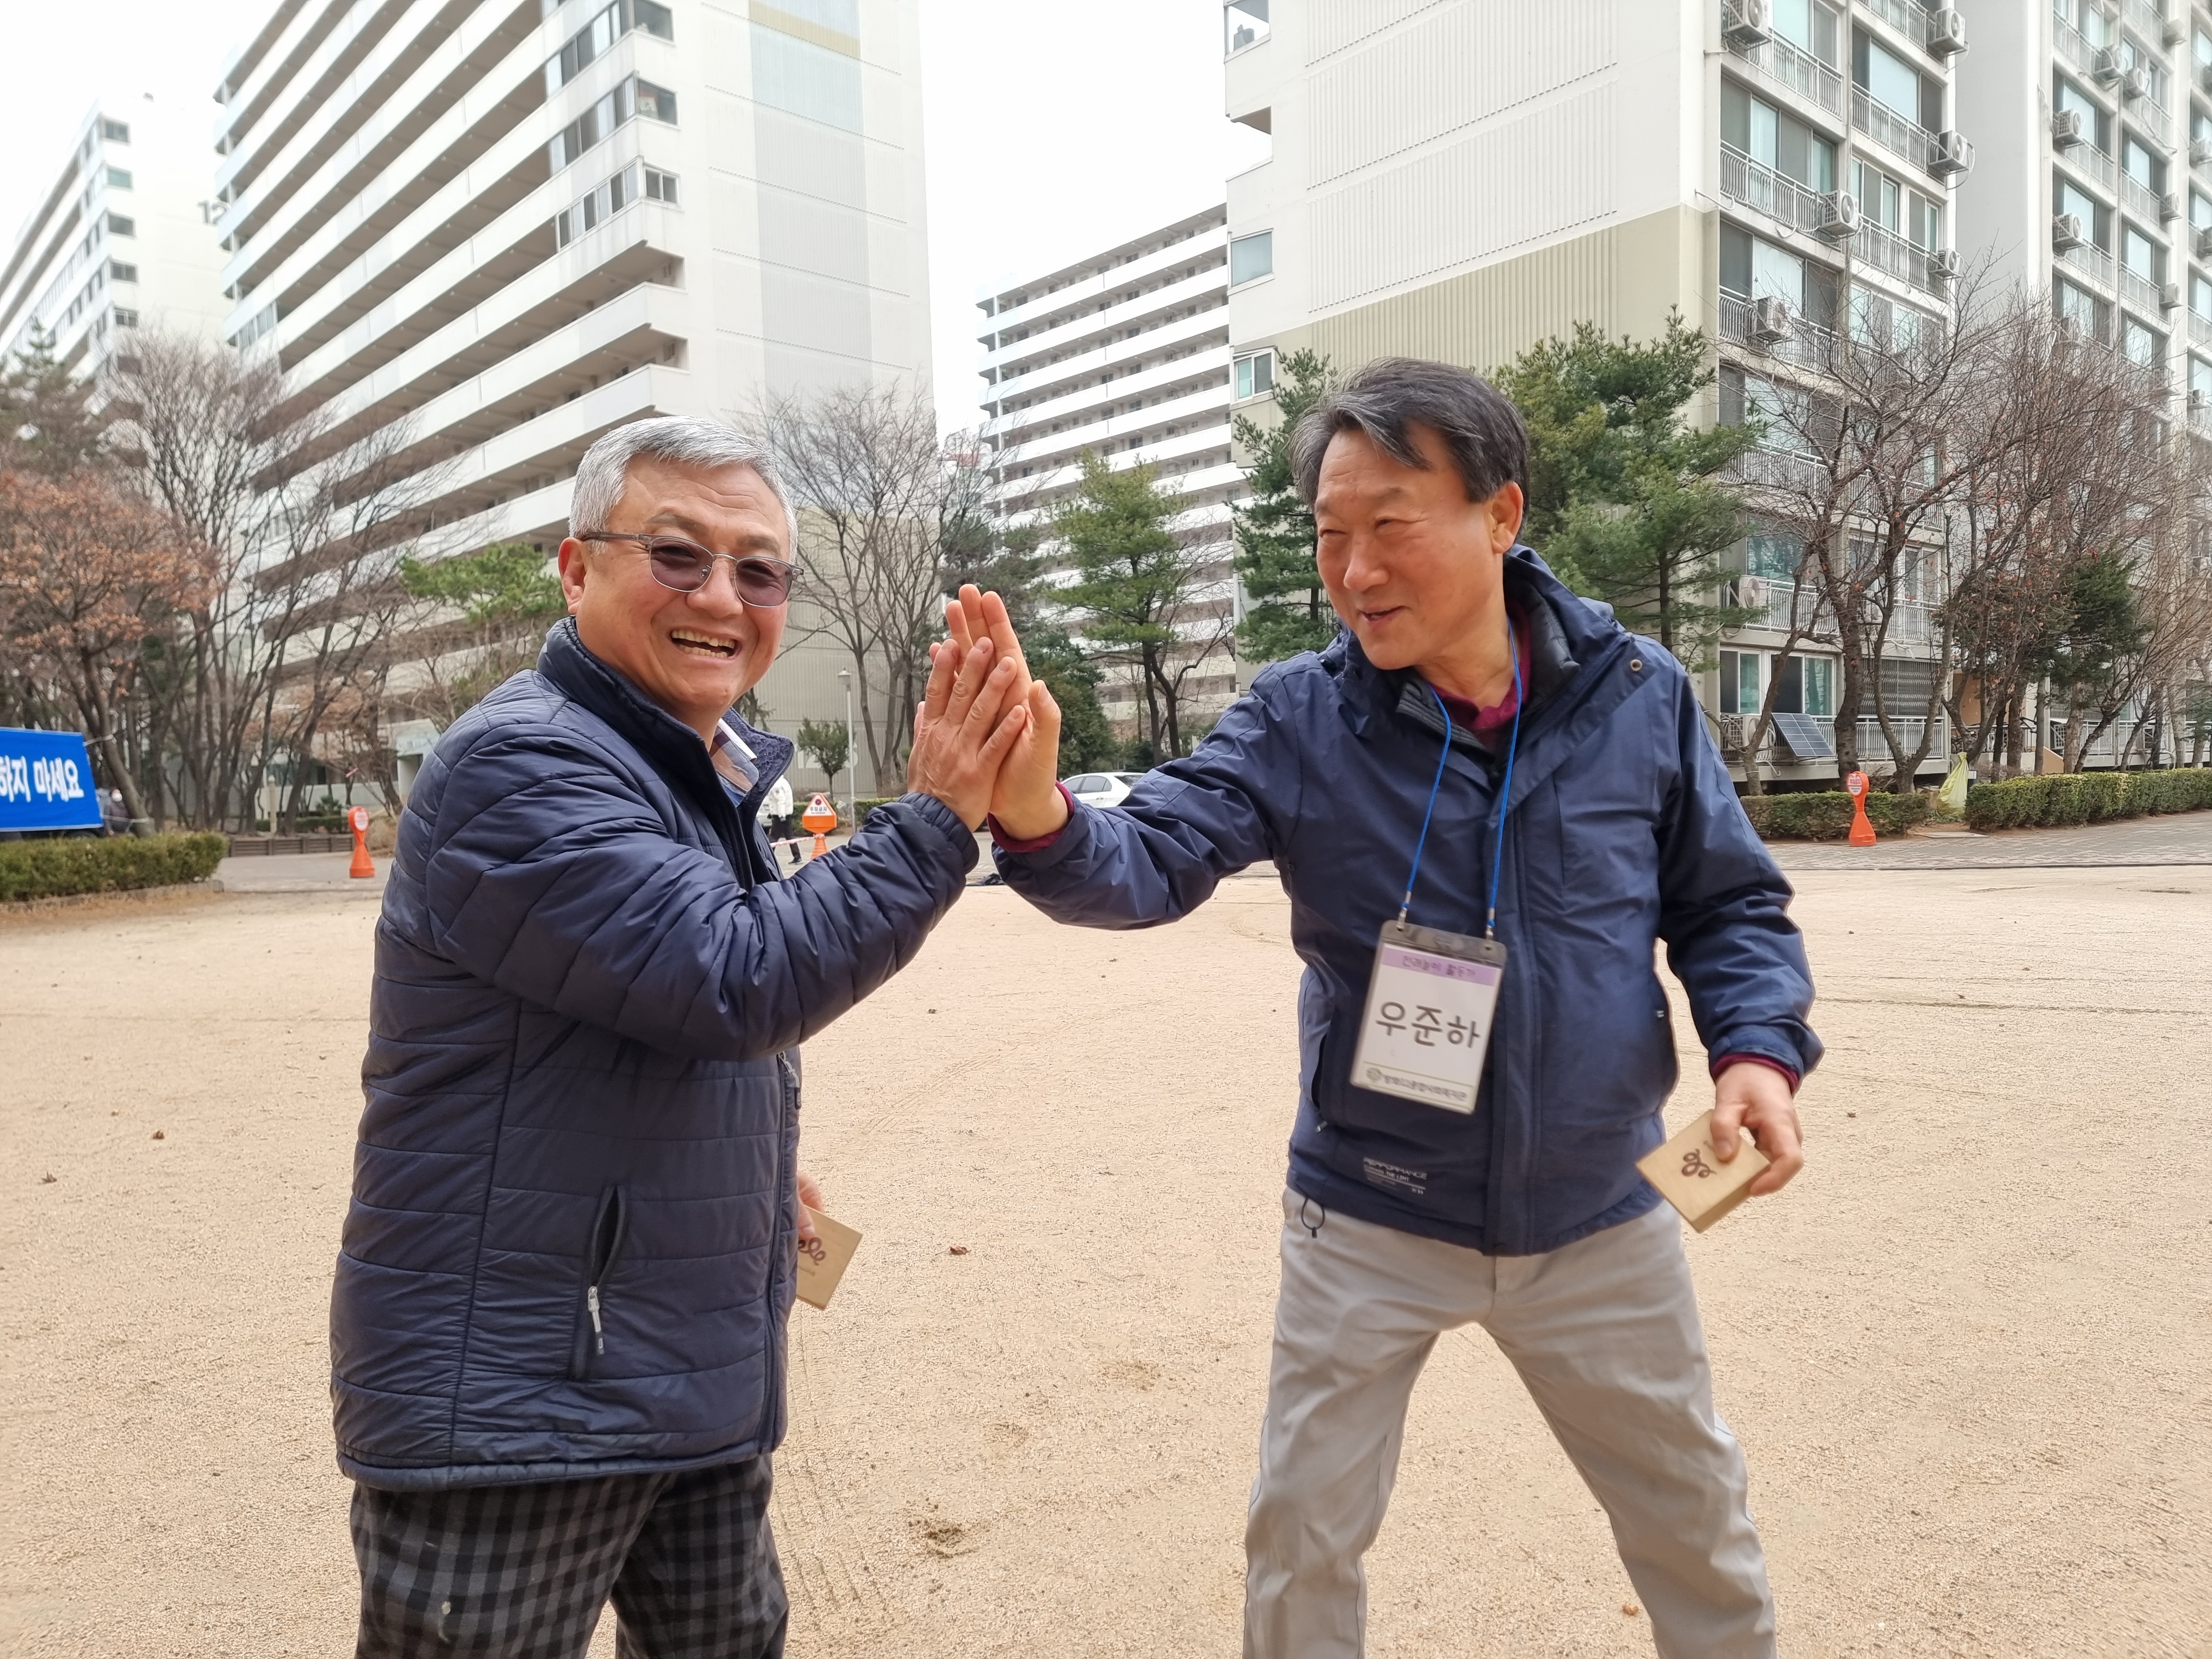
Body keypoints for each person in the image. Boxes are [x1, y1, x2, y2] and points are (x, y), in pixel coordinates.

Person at [952, 359, 1819, 1659]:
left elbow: (1726, 902)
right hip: (1365, 1210)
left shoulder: (1634, 694)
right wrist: (1037, 808)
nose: (1353, 570)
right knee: (1300, 1533)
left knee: (1692, 1516)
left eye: (1389, 525)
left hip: (1597, 1211)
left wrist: (1755, 1050)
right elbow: (1149, 857)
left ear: (1499, 514)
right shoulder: (1300, 717)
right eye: (1328, 535)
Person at [334, 415, 1031, 1658]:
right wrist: (933, 817)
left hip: (677, 1367)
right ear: (575, 570)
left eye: (757, 571)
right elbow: (733, 977)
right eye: (676, 555)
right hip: (519, 1399)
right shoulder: (521, 764)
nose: (720, 597)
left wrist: (752, 1165)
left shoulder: (691, 769)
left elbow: (663, 1019)